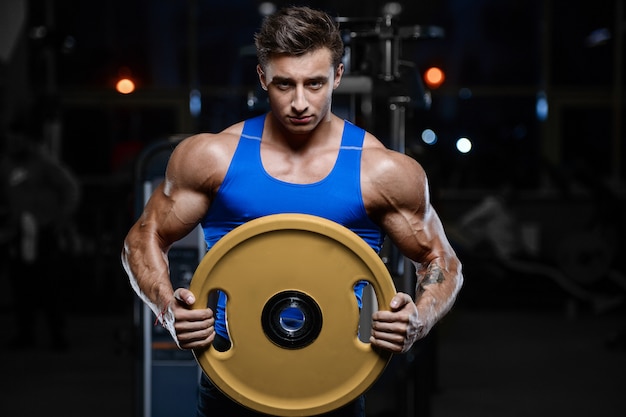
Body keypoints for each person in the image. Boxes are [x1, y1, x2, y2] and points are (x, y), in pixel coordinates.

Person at [122, 6, 463, 416]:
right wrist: (166, 308)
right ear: (263, 77)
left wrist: (418, 320)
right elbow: (143, 237)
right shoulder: (213, 157)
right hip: (234, 379)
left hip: (334, 381)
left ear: (338, 75)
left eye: (315, 83)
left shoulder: (382, 170)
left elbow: (442, 260)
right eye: (284, 84)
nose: (300, 102)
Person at [0, 118, 80, 351]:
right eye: (10, 140)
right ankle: (25, 334)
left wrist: (60, 219)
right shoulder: (5, 165)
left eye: (17, 139)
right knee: (20, 284)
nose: (13, 143)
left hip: (44, 232)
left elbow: (71, 189)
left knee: (49, 285)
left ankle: (58, 335)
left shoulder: (43, 163)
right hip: (18, 232)